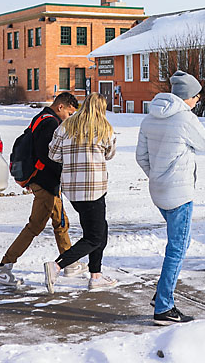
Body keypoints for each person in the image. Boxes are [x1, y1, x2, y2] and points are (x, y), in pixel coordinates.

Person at [136, 71, 205, 326]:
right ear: (187, 97)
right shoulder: (184, 118)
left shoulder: (149, 118)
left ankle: (161, 294)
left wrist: (157, 175)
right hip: (179, 192)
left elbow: (141, 156)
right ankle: (164, 307)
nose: (197, 101)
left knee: (179, 242)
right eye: (195, 97)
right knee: (177, 248)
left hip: (158, 190)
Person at [0, 92, 83, 287]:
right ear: (61, 107)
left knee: (60, 222)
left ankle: (69, 262)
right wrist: (62, 172)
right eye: (69, 113)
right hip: (45, 183)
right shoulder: (50, 123)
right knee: (35, 226)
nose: (69, 118)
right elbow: (48, 155)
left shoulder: (40, 117)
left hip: (44, 181)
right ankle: (3, 266)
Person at [44, 94, 117, 292]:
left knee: (99, 230)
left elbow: (53, 154)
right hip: (94, 189)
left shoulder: (65, 127)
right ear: (101, 109)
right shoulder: (105, 129)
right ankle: (57, 265)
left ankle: (96, 275)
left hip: (73, 190)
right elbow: (109, 154)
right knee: (95, 237)